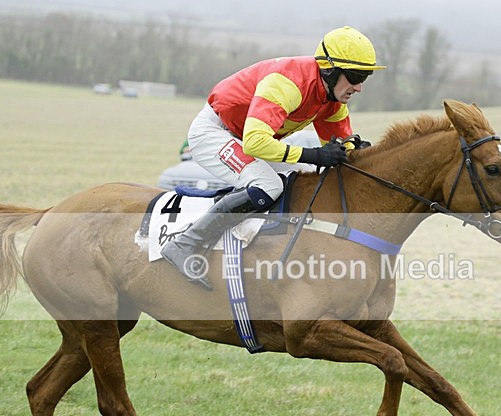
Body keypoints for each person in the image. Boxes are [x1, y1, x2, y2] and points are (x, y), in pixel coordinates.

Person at [160, 26, 386, 290]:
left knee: (305, 176)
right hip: (215, 132)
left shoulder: (331, 98)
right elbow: (257, 143)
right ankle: (185, 244)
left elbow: (339, 147)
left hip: (247, 136)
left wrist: (355, 151)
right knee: (269, 184)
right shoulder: (288, 84)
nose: (359, 87)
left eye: (365, 77)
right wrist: (314, 154)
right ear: (330, 70)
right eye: (355, 76)